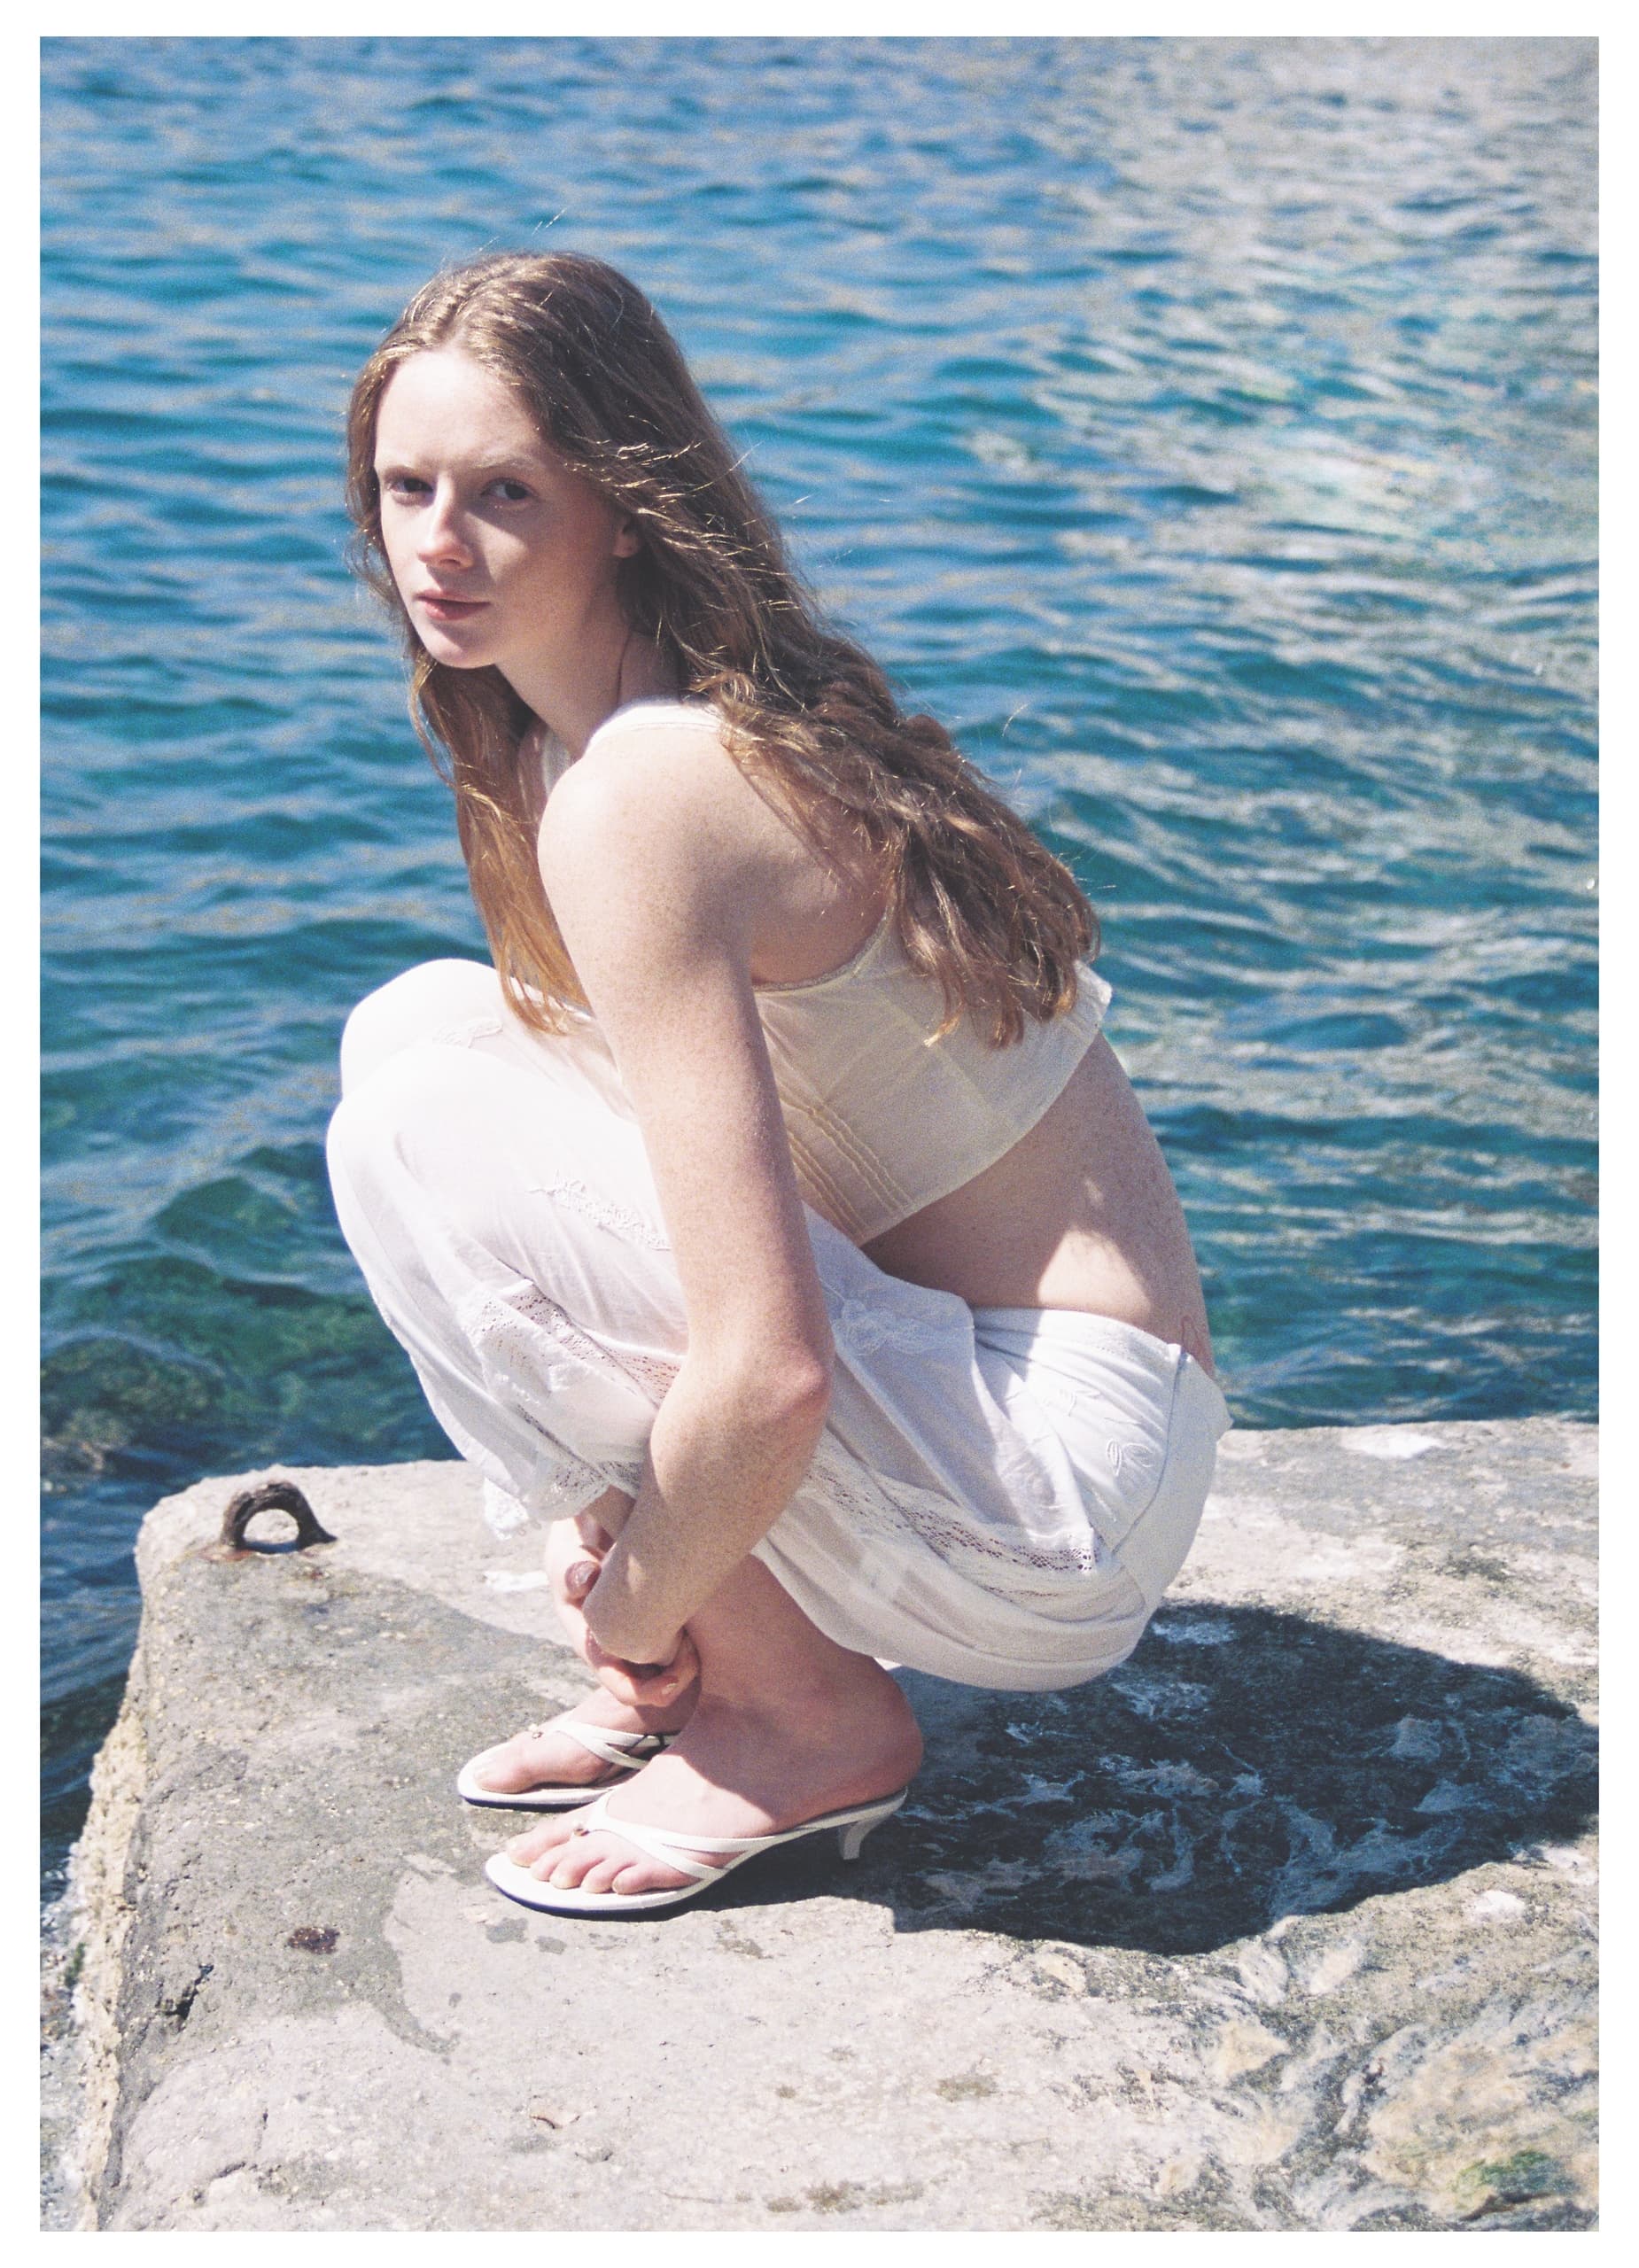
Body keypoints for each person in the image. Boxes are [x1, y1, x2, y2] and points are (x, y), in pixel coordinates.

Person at [326, 251, 1230, 1916]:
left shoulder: (646, 790)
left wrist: (635, 1598)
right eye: (407, 486)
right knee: (419, 1033)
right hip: (1053, 1437)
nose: (437, 544)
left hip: (1050, 1499)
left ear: (623, 507)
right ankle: (720, 1676)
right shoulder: (590, 742)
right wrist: (646, 1532)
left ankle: (790, 1716)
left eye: (505, 493)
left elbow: (767, 1371)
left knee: (416, 1126)